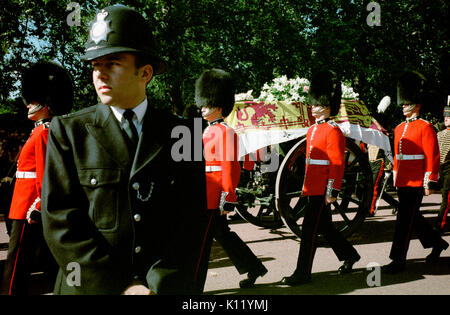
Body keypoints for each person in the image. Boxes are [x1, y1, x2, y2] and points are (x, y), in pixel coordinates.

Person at [41, 5, 210, 295]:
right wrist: (121, 286)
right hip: (89, 288)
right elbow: (60, 221)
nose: (100, 74)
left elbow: (191, 220)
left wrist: (157, 282)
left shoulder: (185, 134)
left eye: (112, 64)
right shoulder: (68, 132)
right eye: (95, 66)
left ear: (145, 72)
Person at [1, 61, 73, 295]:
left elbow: (46, 174)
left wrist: (39, 206)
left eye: (33, 99)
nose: (29, 104)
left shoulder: (44, 131)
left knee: (15, 269)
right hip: (21, 205)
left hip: (28, 208)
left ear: (47, 102)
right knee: (43, 262)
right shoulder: (39, 129)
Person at [281, 70, 360, 286]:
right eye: (313, 104)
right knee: (324, 227)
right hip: (311, 187)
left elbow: (336, 164)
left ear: (327, 106)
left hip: (322, 190)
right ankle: (350, 255)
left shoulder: (333, 131)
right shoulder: (312, 130)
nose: (313, 107)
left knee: (309, 231)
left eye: (317, 104)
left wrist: (332, 191)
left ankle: (302, 272)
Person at [195, 68, 268, 289]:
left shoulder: (225, 132)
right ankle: (253, 267)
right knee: (221, 235)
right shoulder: (208, 130)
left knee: (204, 242)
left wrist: (227, 197)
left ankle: (194, 285)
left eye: (206, 104)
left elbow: (229, 167)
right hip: (206, 192)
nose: (202, 107)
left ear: (218, 106)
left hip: (215, 194)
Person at [383, 71, 448, 274]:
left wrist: (429, 181)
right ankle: (437, 243)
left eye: (406, 102)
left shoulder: (425, 127)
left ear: (416, 104)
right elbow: (397, 156)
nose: (403, 106)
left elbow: (432, 156)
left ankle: (398, 259)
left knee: (404, 220)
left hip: (417, 180)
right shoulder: (399, 127)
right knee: (412, 218)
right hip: (402, 178)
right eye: (403, 103)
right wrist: (395, 173)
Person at [435, 105, 450, 232]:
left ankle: (440, 223)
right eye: (445, 116)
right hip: (441, 168)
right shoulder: (439, 134)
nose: (446, 118)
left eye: (449, 116)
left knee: (447, 197)